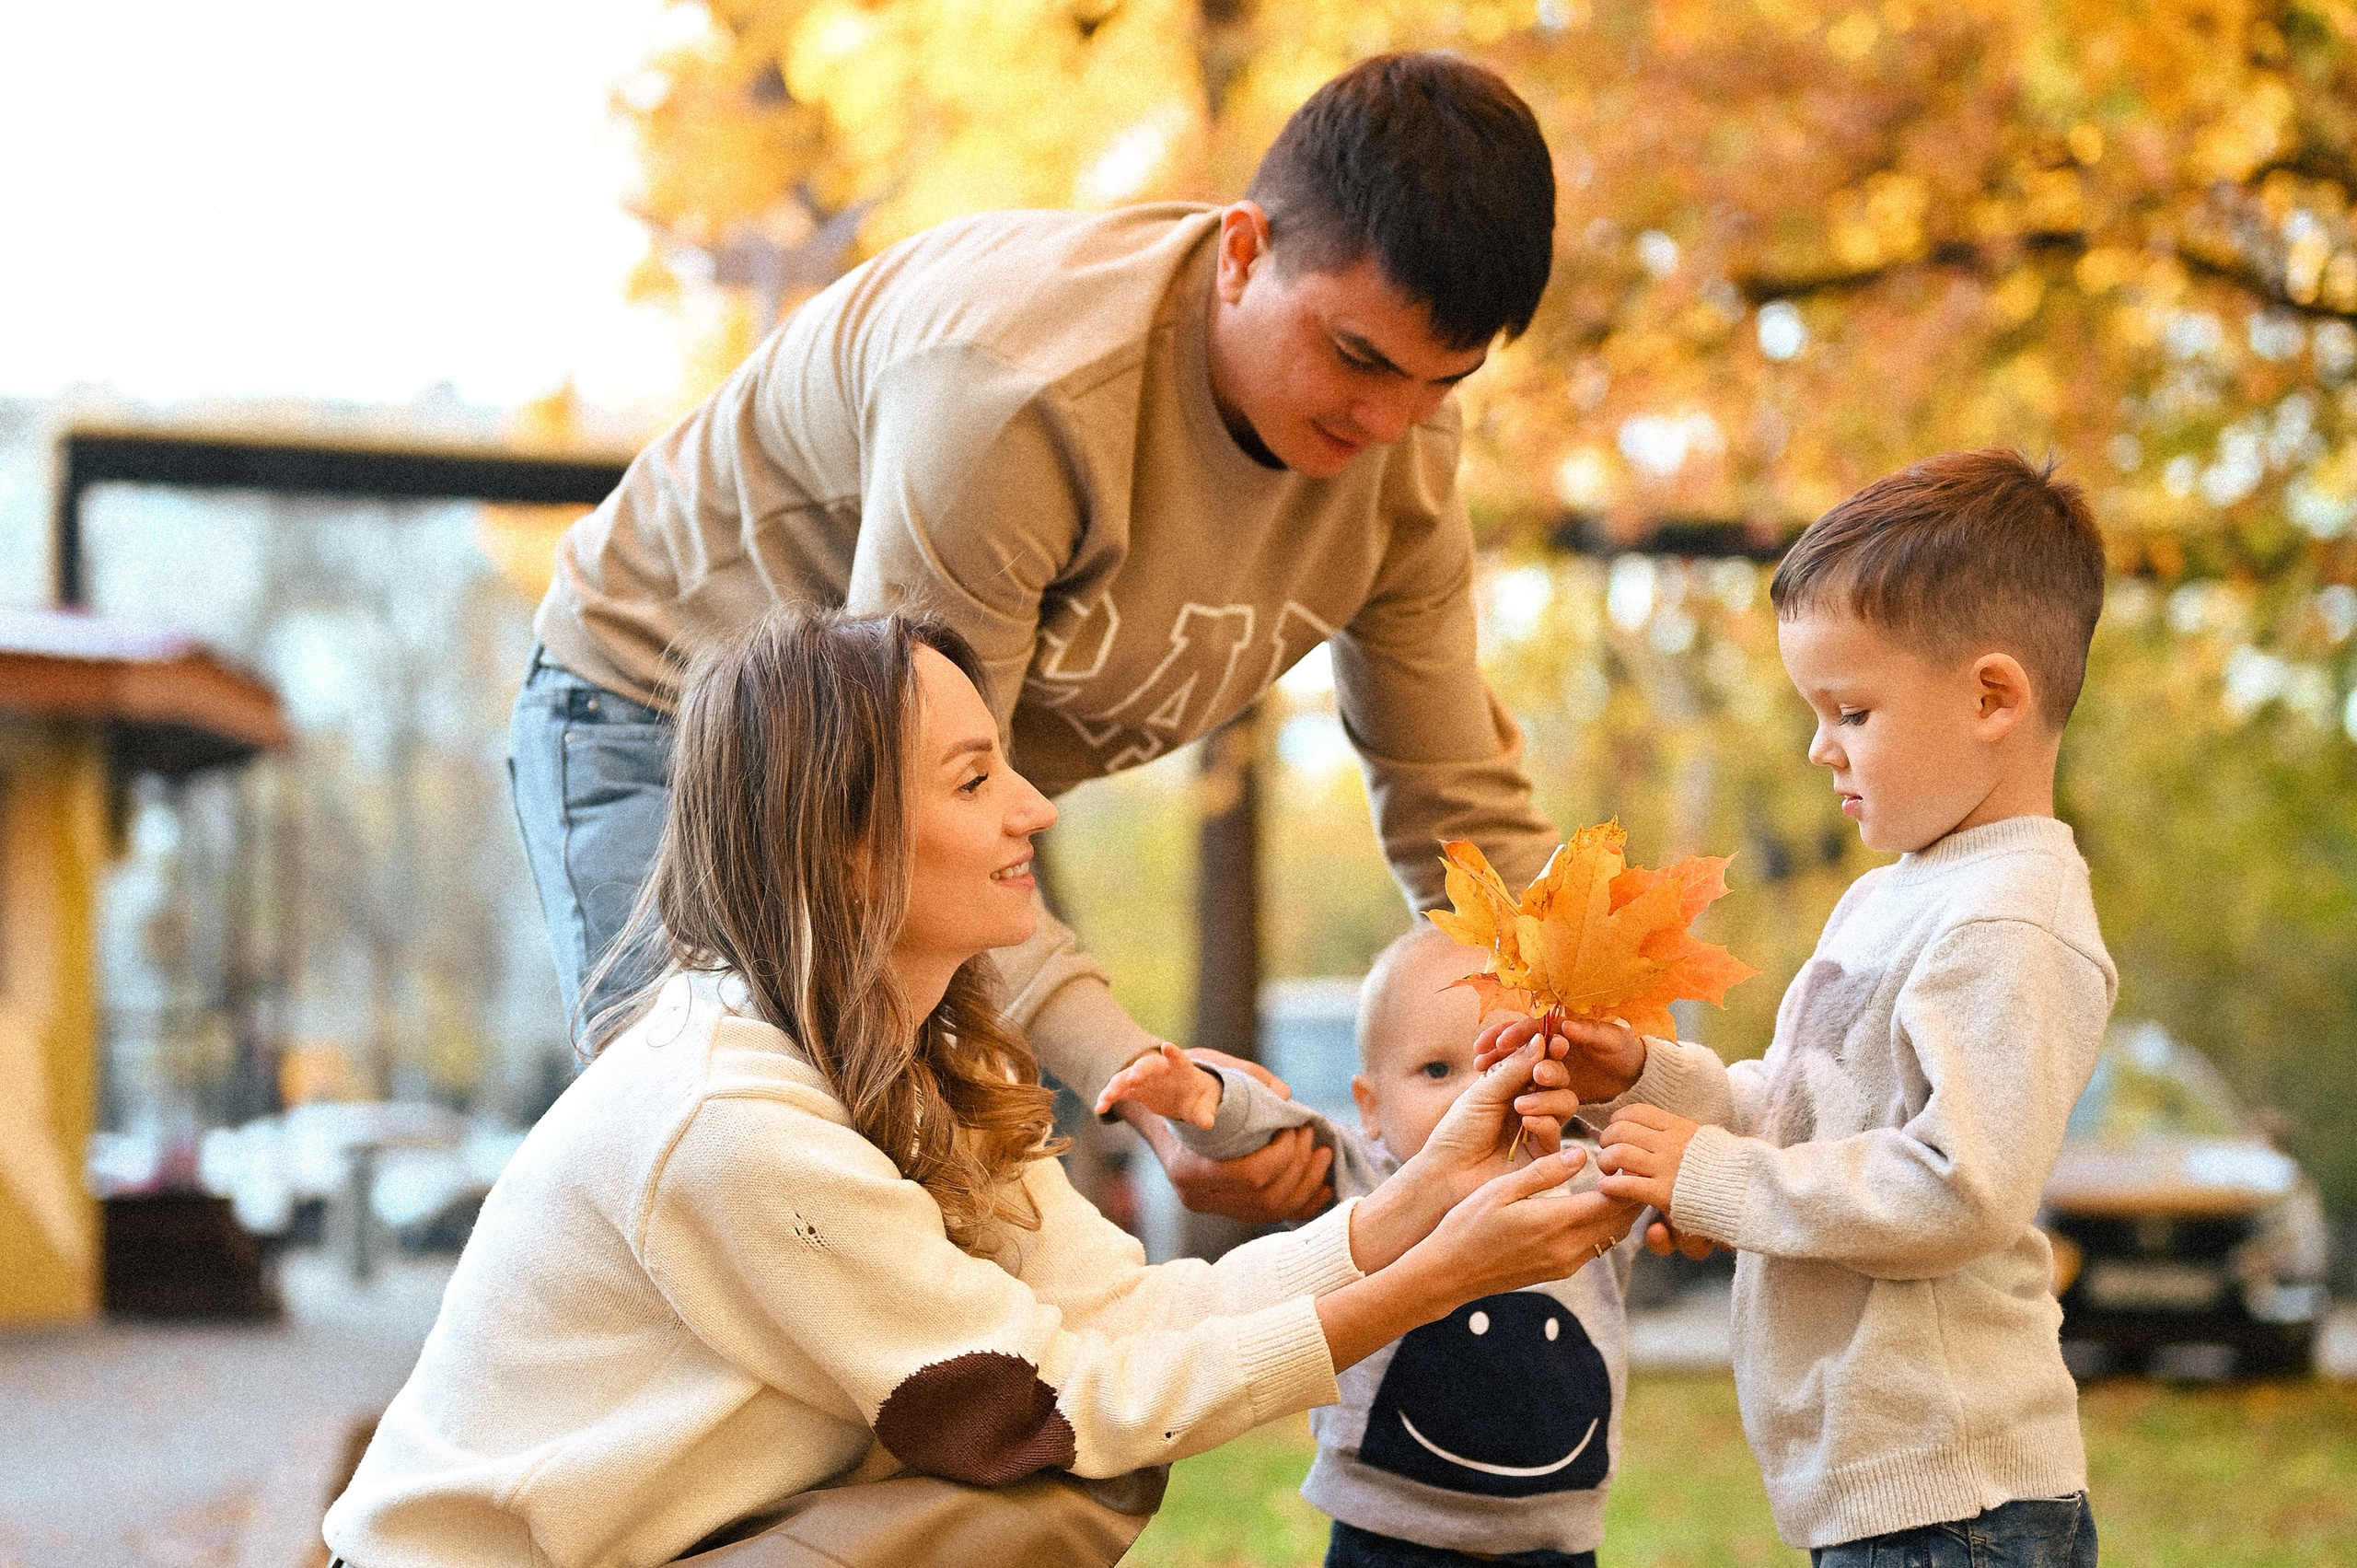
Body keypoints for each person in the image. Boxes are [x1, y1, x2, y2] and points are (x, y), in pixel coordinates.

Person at [327, 610, 1636, 1568]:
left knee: (1084, 1474)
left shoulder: (929, 1057)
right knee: (1062, 1479)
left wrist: (1420, 1197)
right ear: (842, 846)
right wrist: (1435, 1276)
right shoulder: (727, 1115)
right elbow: (1049, 1407)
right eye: (972, 780)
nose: (1034, 809)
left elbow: (1123, 1311)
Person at [507, 50, 1565, 1224]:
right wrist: (1142, 1078)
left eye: (1439, 382)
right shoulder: (1013, 399)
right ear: (1243, 251)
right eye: (1355, 357)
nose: (1385, 423)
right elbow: (906, 822)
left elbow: (1456, 810)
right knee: (723, 1165)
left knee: (929, 1219)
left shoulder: (1404, 464)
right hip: (661, 709)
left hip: (919, 783)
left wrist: (1624, 1088)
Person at [1506, 450, 2117, 1566]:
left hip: (1958, 1495)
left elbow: (1957, 1187)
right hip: (1882, 1492)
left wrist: (1711, 1177)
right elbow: (1801, 1108)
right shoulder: (1890, 895)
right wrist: (1644, 1081)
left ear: (1992, 696)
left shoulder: (2007, 919)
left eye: (1850, 709)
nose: (1817, 745)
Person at [1097, 925, 1645, 1568]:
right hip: (1386, 1534)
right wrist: (1205, 1098)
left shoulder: (1586, 1180)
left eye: (1505, 1060)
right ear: (1372, 1104)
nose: (1476, 1090)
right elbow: (1278, 1129)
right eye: (1437, 1069)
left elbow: (1684, 1155)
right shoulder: (1370, 1177)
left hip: (1553, 1539)